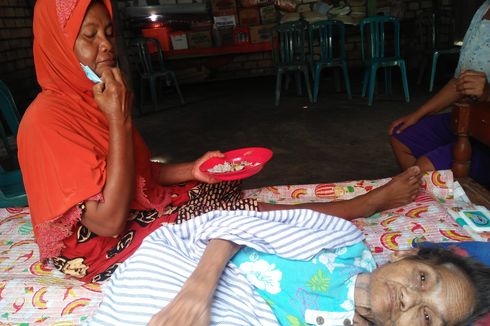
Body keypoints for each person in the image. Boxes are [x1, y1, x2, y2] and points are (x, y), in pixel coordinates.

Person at [18, 0, 421, 286]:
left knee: (219, 189)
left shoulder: (95, 98)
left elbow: (138, 173)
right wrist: (120, 121)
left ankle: (332, 210)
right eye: (89, 36)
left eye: (107, 33)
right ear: (56, 46)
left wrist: (191, 170)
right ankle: (361, 205)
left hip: (126, 209)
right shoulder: (47, 121)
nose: (105, 46)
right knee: (226, 223)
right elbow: (104, 220)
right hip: (97, 246)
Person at [88, 209, 490, 326]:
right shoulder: (344, 243)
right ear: (408, 258)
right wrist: (197, 291)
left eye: (425, 317)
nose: (408, 298)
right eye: (423, 279)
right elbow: (235, 225)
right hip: (192, 273)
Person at [389, 0, 490, 185]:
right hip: (468, 121)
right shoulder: (483, 9)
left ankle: (440, 197)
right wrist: (418, 115)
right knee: (400, 135)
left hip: (485, 136)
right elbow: (459, 82)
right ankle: (435, 197)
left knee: (423, 170)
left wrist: (487, 93)